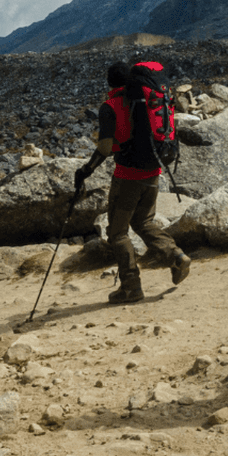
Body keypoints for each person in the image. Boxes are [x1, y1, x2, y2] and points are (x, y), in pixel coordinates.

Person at [75, 60, 193, 305]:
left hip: (128, 175)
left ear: (109, 83)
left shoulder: (110, 106)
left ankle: (130, 287)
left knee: (117, 233)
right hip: (153, 171)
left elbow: (106, 148)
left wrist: (86, 169)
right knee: (143, 221)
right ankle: (177, 256)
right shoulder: (142, 101)